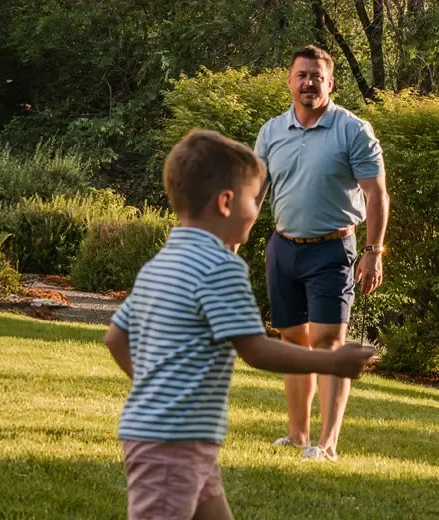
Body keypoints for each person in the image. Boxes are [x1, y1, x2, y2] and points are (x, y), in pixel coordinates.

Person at [104, 129, 379, 520]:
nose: (259, 208)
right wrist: (331, 363)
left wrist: (155, 391)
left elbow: (116, 338)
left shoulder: (161, 262)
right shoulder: (221, 266)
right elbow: (254, 348)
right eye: (254, 199)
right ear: (226, 202)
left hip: (175, 436)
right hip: (173, 442)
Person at [253, 45, 389, 462]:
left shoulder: (353, 130)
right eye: (301, 75)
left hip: (333, 249)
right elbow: (255, 194)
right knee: (293, 343)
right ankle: (298, 435)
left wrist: (373, 251)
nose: (308, 82)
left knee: (328, 344)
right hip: (282, 248)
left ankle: (327, 444)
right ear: (290, 81)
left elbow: (377, 195)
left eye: (316, 76)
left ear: (330, 83)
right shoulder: (270, 132)